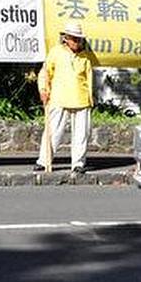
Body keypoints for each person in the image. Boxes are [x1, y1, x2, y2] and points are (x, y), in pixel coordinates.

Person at [35, 21, 94, 175]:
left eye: (78, 39)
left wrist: (90, 99)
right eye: (73, 38)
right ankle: (44, 161)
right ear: (66, 38)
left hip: (81, 99)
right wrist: (43, 90)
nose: (76, 42)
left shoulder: (85, 57)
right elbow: (45, 73)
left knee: (81, 134)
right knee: (53, 132)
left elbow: (89, 79)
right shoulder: (56, 52)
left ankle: (78, 163)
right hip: (59, 97)